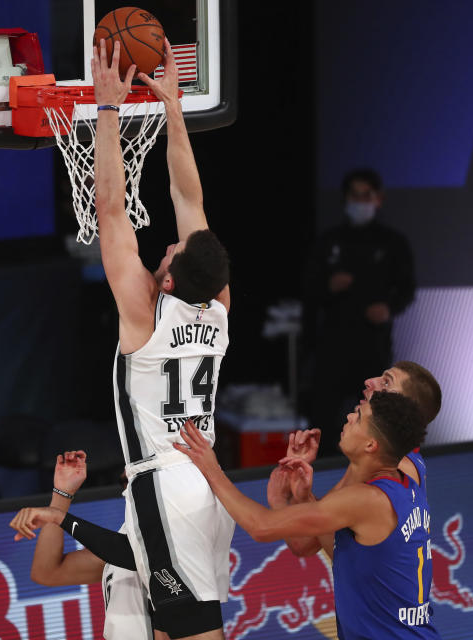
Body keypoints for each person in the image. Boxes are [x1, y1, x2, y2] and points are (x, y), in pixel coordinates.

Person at [84, 37, 234, 639]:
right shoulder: (218, 307)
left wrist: (108, 110)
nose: (168, 242)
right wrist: (172, 108)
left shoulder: (144, 312)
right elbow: (188, 199)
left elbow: (112, 211)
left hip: (165, 485)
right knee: (182, 627)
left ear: (169, 275)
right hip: (208, 482)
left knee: (195, 633)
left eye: (168, 249)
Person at [175, 391, 441, 639]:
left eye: (359, 417)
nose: (349, 416)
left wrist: (211, 468)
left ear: (371, 444)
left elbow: (260, 527)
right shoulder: (403, 486)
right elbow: (341, 555)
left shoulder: (368, 500)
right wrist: (293, 498)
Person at [272, 361, 441, 557]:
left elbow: (319, 548)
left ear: (402, 407)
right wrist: (295, 494)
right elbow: (306, 540)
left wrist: (283, 499)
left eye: (386, 383)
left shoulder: (388, 469)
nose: (370, 382)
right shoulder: (399, 459)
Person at [303, 169, 416, 457]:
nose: (361, 201)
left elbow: (407, 288)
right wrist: (329, 286)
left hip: (373, 346)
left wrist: (388, 308)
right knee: (324, 420)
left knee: (375, 420)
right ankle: (320, 480)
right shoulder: (330, 241)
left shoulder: (392, 243)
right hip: (333, 345)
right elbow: (309, 290)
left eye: (367, 195)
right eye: (355, 195)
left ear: (378, 199)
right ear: (346, 198)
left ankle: (373, 482)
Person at [10, 450, 168, 640]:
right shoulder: (124, 537)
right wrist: (62, 494)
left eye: (135, 479)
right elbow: (47, 572)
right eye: (124, 482)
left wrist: (57, 516)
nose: (127, 490)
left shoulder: (172, 533)